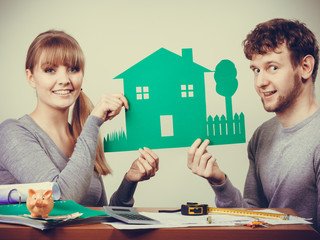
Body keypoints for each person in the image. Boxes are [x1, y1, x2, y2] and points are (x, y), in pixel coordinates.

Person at [187, 18, 320, 231]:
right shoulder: (261, 136)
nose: (260, 82)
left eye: (273, 68)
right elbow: (252, 219)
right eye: (256, 70)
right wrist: (219, 181)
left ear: (305, 67)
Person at [0, 30, 159, 207]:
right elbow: (62, 201)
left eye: (73, 69)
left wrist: (129, 180)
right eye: (50, 70)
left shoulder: (81, 137)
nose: (65, 79)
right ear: (31, 78)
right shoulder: (11, 133)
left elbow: (100, 214)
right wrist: (94, 120)